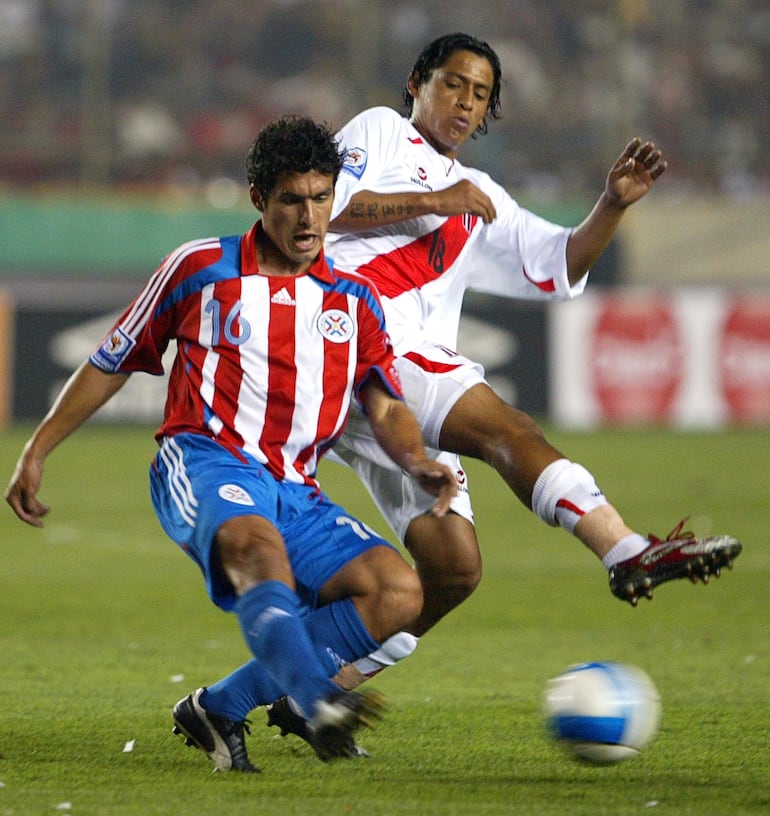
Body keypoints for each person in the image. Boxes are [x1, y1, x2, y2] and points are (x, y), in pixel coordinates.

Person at [263, 32, 743, 726]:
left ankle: (310, 686)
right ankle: (624, 549)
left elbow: (560, 262)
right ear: (416, 84)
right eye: (452, 83)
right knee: (508, 429)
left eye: (480, 93)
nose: (464, 102)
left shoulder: (480, 195)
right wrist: (434, 200)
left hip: (386, 392)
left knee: (454, 571)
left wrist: (612, 204)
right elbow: (324, 206)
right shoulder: (380, 132)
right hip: (355, 348)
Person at [4, 116, 458, 773]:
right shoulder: (199, 268)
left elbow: (384, 402)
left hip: (296, 489)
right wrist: (37, 449)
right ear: (257, 198)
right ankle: (315, 699)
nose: (309, 217)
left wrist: (418, 461)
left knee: (398, 594)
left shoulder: (354, 300)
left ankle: (218, 706)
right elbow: (112, 359)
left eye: (321, 197)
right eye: (291, 200)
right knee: (256, 549)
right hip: (204, 459)